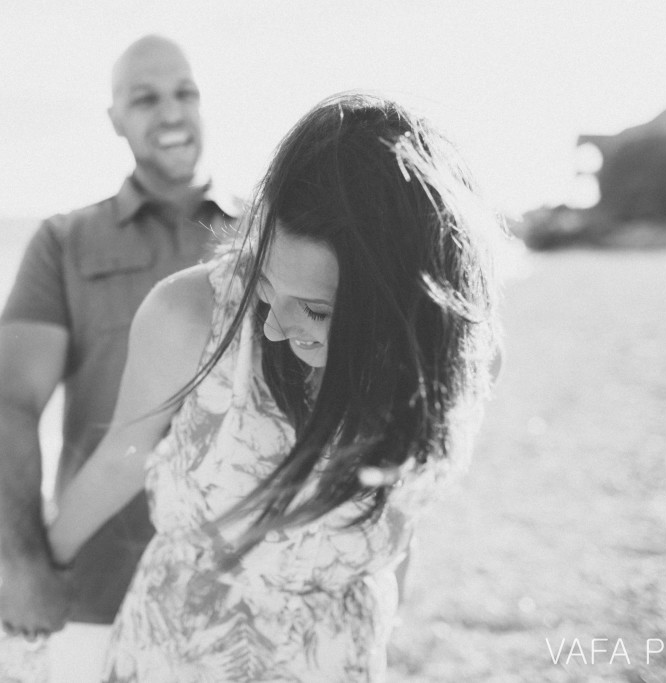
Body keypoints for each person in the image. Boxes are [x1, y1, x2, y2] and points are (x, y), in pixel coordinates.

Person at [48, 92, 505, 681]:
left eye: (315, 310)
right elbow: (123, 455)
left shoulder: (462, 359)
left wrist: (385, 625)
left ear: (403, 307)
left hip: (339, 657)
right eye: (265, 282)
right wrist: (40, 564)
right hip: (180, 653)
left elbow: (402, 508)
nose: (269, 324)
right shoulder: (191, 316)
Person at [0, 35, 241, 682]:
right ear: (115, 120)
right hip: (97, 590)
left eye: (185, 92)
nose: (171, 113)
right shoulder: (63, 242)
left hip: (242, 585)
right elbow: (13, 406)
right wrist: (24, 562)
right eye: (144, 98)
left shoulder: (266, 233)